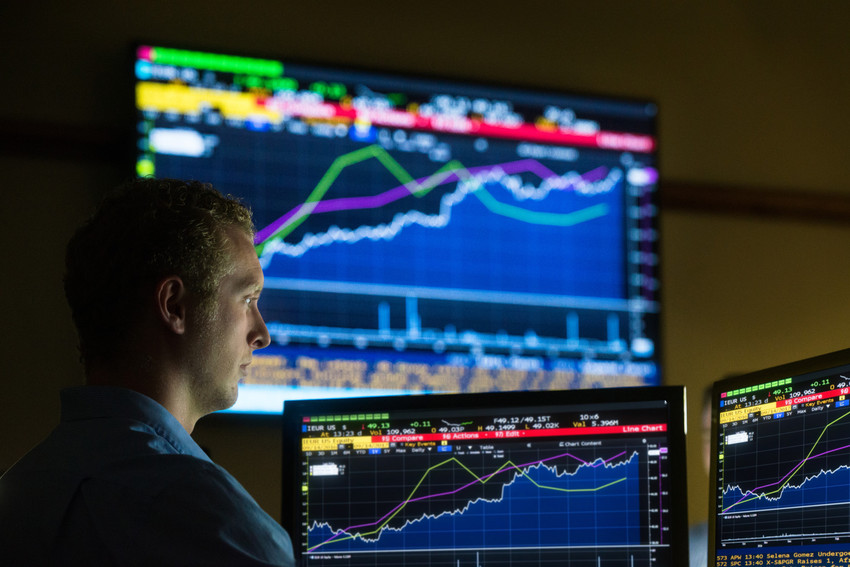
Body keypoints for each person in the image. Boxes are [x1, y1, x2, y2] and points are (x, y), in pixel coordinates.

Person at [0, 178, 294, 565]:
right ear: (174, 306)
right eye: (248, 299)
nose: (262, 334)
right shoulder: (213, 521)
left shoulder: (18, 490)